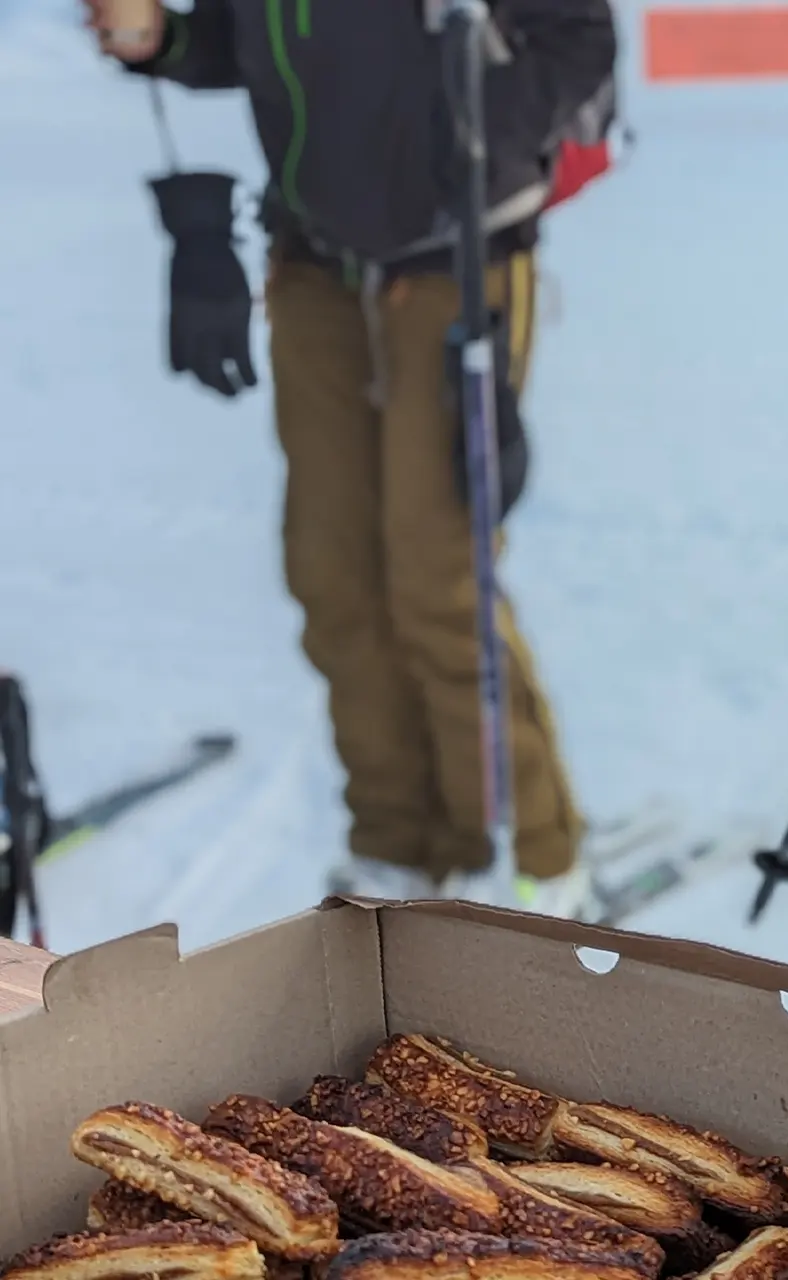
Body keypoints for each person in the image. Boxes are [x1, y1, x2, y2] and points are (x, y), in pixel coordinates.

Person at [83, 0, 617, 916]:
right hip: (315, 271)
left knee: (438, 576)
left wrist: (458, 151)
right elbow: (246, 41)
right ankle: (398, 841)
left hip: (458, 263)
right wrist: (160, 38)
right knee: (332, 575)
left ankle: (528, 854)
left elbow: (579, 37)